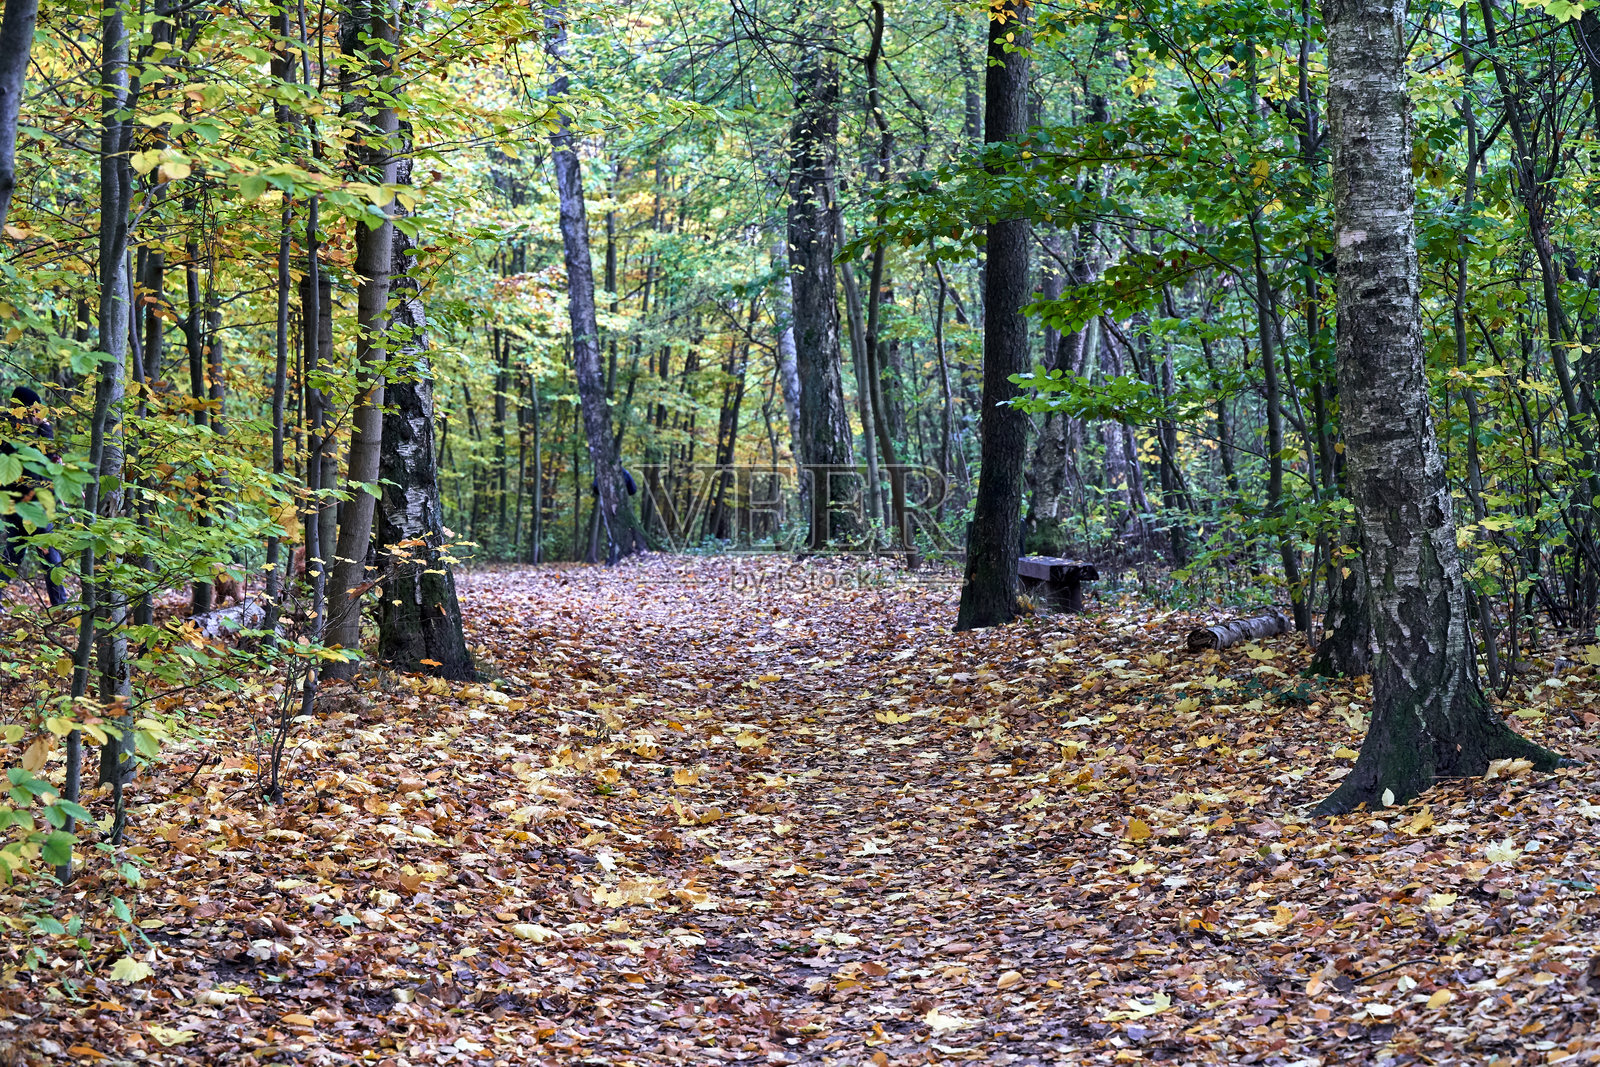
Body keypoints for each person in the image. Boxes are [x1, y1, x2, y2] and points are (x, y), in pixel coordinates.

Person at [1, 386, 66, 607]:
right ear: (21, 407)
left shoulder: (28, 429)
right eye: (33, 409)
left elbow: (52, 457)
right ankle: (60, 604)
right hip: (27, 503)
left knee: (14, 553)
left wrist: (44, 427)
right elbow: (42, 459)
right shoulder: (11, 430)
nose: (36, 414)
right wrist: (44, 428)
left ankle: (60, 603)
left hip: (20, 503)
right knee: (48, 553)